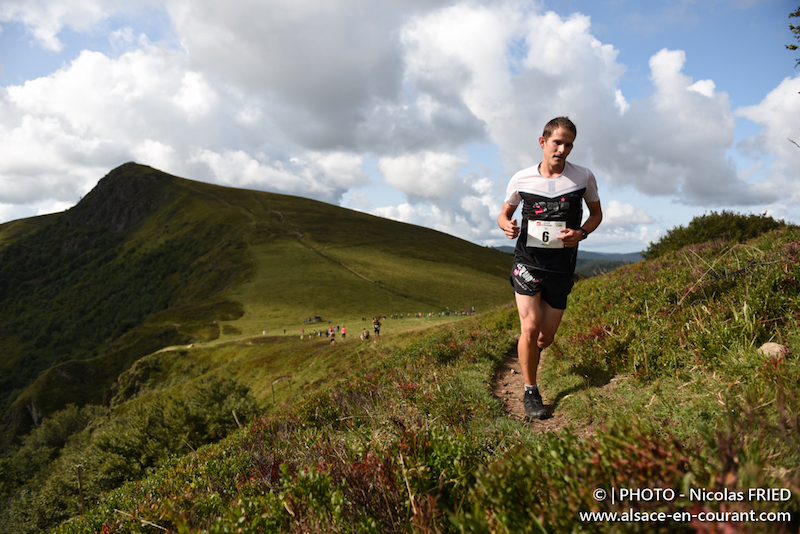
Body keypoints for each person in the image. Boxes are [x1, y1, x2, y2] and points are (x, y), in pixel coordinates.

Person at [497, 117, 603, 420]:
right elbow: (504, 214)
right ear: (543, 142)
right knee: (529, 328)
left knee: (545, 338)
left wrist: (581, 233)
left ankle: (532, 352)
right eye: (557, 142)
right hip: (528, 263)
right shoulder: (522, 179)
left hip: (561, 267)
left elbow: (596, 214)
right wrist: (507, 226)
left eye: (568, 144)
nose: (563, 149)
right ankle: (530, 390)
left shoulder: (583, 177)